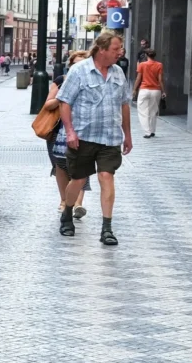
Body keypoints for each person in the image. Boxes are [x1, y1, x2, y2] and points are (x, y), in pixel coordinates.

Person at [57, 31, 132, 244]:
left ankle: (107, 228)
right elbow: (65, 102)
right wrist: (70, 131)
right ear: (102, 49)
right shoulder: (79, 71)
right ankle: (67, 212)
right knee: (78, 180)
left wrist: (127, 134)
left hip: (110, 137)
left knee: (106, 176)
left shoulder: (118, 72)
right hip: (83, 136)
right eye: (116, 49)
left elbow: (124, 104)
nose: (120, 53)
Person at [44, 50, 92, 219]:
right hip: (58, 131)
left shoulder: (93, 82)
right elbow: (48, 105)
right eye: (74, 64)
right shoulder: (60, 82)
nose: (78, 67)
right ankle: (65, 201)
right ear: (70, 66)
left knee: (82, 166)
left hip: (84, 130)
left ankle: (77, 204)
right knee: (60, 167)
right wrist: (63, 96)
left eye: (82, 64)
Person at [133, 48, 164, 138]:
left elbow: (138, 78)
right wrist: (163, 91)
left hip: (144, 90)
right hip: (156, 90)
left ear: (146, 55)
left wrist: (134, 89)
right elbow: (160, 80)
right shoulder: (159, 65)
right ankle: (153, 130)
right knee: (153, 111)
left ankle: (147, 132)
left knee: (143, 111)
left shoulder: (142, 65)